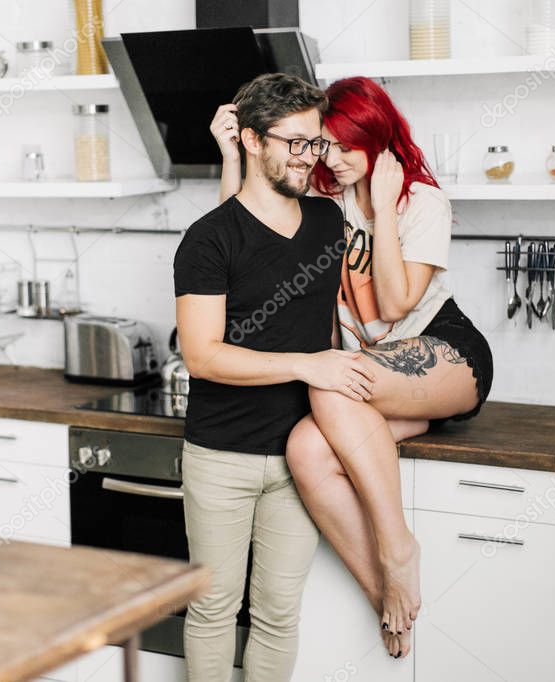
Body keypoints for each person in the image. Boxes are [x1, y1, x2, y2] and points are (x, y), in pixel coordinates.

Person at [210, 76, 494, 659]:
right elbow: (231, 241)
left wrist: (383, 209)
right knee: (306, 449)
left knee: (335, 380)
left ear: (379, 138)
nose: (332, 159)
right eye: (324, 144)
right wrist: (234, 154)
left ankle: (397, 547)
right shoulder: (318, 204)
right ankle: (385, 593)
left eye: (346, 145)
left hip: (445, 353)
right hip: (372, 379)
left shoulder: (422, 201)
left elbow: (394, 306)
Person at [174, 73, 379, 682]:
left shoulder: (326, 222)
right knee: (212, 610)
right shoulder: (207, 240)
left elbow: (373, 300)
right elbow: (203, 356)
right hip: (221, 455)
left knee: (278, 614)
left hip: (301, 456)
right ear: (254, 142)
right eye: (292, 142)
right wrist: (306, 364)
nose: (308, 156)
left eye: (314, 142)